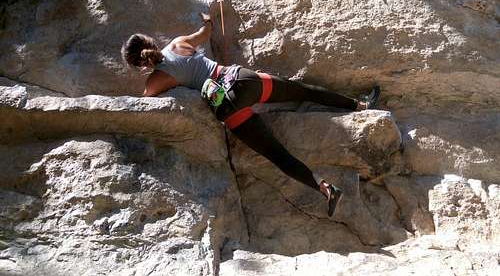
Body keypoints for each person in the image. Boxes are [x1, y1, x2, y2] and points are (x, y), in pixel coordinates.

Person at [121, 12, 380, 217]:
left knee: (278, 155)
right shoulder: (178, 43)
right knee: (300, 90)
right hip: (241, 81)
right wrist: (209, 20)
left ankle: (326, 189)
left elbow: (145, 104)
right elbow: (206, 32)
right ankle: (359, 106)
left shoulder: (155, 81)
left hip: (226, 107)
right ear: (150, 42)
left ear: (138, 65)